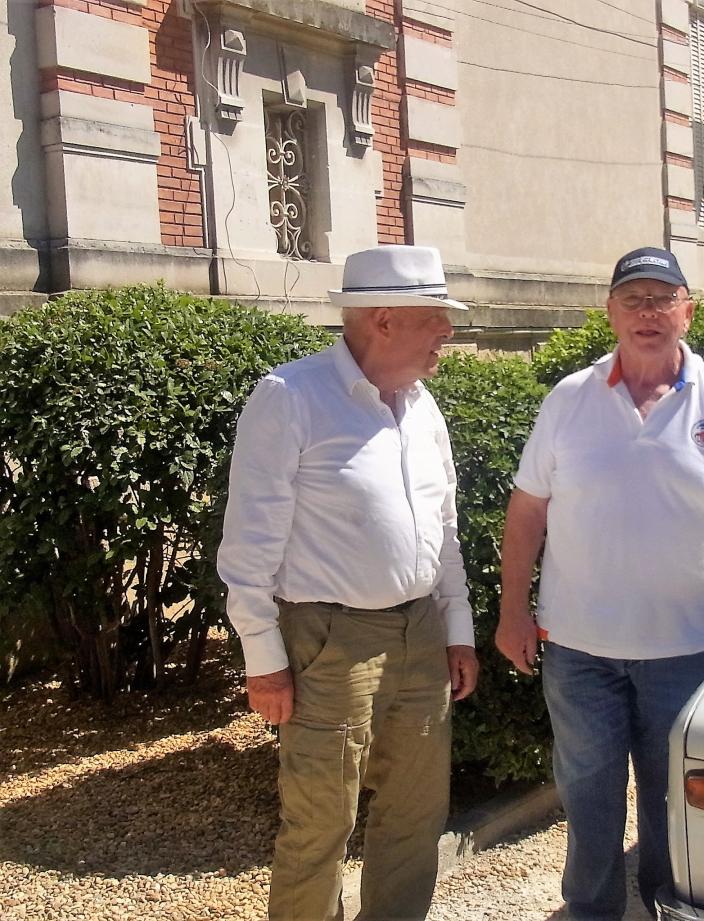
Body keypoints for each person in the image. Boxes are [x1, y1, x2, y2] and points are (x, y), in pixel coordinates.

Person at [496, 246, 704, 921]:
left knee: (677, 809)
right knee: (590, 799)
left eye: (663, 299)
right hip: (579, 654)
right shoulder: (569, 401)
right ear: (610, 313)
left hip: (690, 654)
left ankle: (671, 911)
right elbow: (527, 513)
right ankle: (592, 912)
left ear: (688, 312)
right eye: (633, 300)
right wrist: (513, 608)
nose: (648, 313)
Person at [217, 244, 479, 921]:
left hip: (421, 632)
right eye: (436, 318)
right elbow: (248, 546)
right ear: (384, 319)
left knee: (416, 816)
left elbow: (443, 529)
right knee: (317, 826)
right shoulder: (292, 396)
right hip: (332, 641)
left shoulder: (425, 408)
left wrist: (458, 629)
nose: (448, 333)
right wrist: (264, 661)